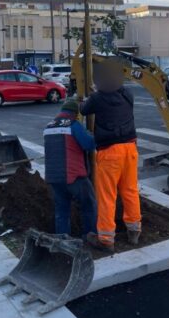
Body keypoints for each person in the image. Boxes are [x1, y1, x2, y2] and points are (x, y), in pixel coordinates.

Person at [80, 61, 139, 252]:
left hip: (110, 151)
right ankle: (134, 230)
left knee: (107, 195)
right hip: (130, 149)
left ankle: (105, 238)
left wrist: (86, 96)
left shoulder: (97, 98)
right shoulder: (127, 94)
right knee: (130, 190)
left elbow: (84, 109)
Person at [43, 98, 98, 241]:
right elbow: (88, 144)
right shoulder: (73, 125)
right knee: (89, 203)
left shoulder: (48, 126)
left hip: (54, 177)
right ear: (75, 113)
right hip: (73, 176)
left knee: (62, 210)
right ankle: (89, 235)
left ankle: (63, 240)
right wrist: (92, 134)